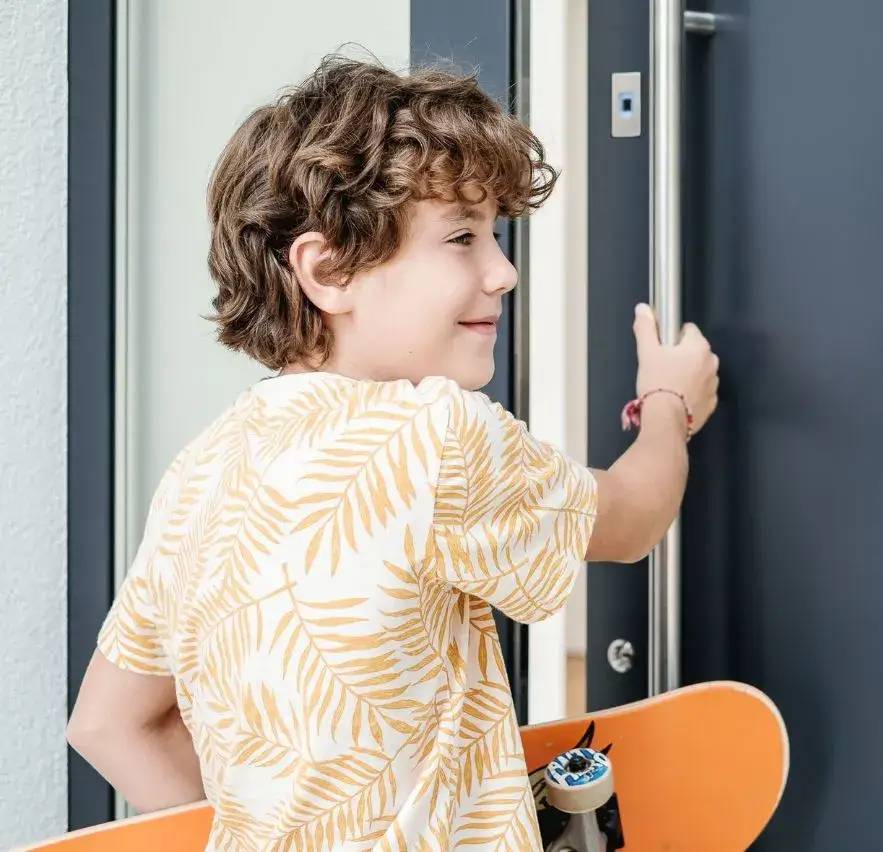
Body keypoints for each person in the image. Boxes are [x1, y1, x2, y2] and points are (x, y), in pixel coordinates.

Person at [66, 54, 719, 850]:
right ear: (328, 268)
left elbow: (108, 724)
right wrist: (668, 403)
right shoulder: (435, 435)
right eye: (461, 237)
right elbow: (631, 518)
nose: (504, 271)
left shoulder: (200, 471)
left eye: (496, 236)